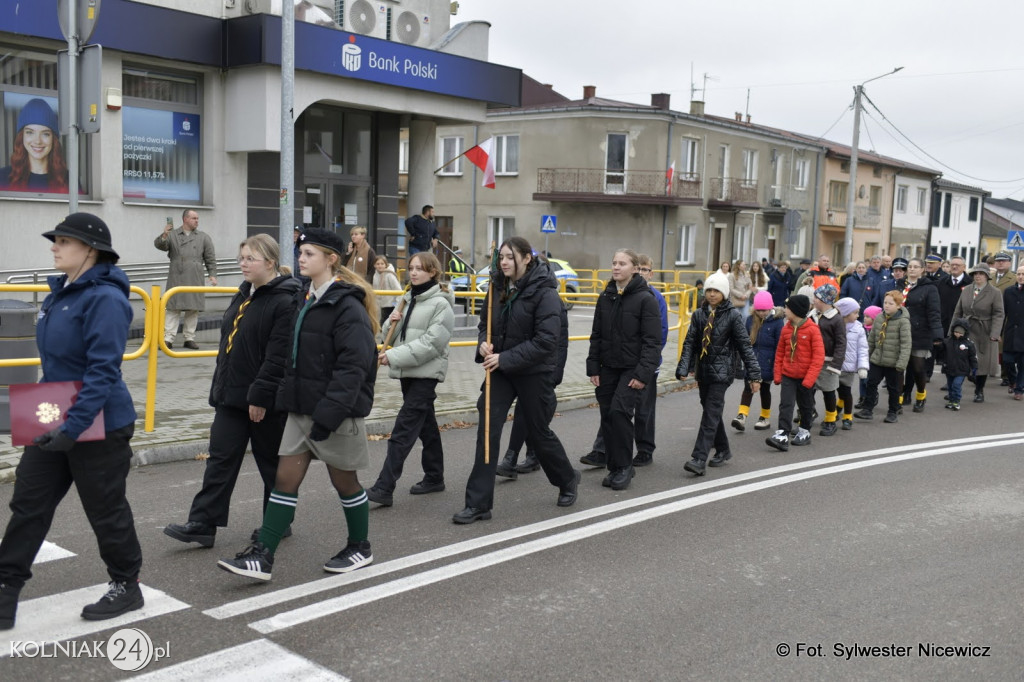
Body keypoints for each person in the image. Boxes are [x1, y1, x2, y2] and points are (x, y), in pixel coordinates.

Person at [0, 213, 143, 630]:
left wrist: (73, 427)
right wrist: (36, 414)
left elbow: (102, 371)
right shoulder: (60, 293)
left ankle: (126, 584)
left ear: (90, 249)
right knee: (28, 504)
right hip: (57, 419)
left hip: (101, 423)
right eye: (56, 240)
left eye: (63, 241)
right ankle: (6, 588)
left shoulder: (106, 299)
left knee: (105, 508)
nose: (54, 247)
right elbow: (55, 366)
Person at [218, 228, 379, 580]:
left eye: (309, 254)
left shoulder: (346, 305)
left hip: (335, 413)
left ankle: (360, 546)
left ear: (331, 259)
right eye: (300, 253)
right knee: (284, 481)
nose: (301, 259)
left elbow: (354, 367)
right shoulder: (306, 299)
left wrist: (329, 414)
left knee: (345, 482)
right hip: (300, 409)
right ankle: (263, 556)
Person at [163, 234, 301, 549]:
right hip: (231, 396)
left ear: (270, 262)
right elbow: (231, 344)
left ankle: (278, 522)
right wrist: (220, 388)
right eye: (241, 258)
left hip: (264, 400)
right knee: (220, 460)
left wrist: (260, 396)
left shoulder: (286, 300)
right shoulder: (244, 293)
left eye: (250, 258)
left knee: (271, 464)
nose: (243, 264)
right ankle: (203, 523)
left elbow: (278, 355)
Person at [454, 237, 580, 524]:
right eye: (501, 257)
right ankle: (478, 504)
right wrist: (483, 344)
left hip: (534, 372)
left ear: (526, 258)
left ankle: (567, 478)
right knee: (487, 431)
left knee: (538, 432)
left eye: (510, 257)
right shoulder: (496, 286)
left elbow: (546, 341)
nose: (504, 262)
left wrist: (505, 358)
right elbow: (485, 325)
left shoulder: (545, 293)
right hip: (500, 371)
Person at [367, 252, 455, 506]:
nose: (413, 272)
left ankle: (384, 487)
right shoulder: (408, 298)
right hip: (409, 370)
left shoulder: (441, 304)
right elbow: (391, 336)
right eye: (412, 268)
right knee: (426, 425)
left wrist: (393, 357)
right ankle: (435, 476)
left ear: (433, 272)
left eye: (420, 269)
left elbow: (432, 344)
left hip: (426, 373)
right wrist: (390, 322)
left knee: (404, 428)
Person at [578, 253, 668, 469]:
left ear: (641, 271)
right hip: (612, 366)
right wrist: (594, 367)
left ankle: (641, 453)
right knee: (612, 412)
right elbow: (598, 335)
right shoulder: (607, 296)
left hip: (640, 366)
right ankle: (605, 454)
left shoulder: (651, 298)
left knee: (636, 411)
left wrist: (645, 369)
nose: (616, 267)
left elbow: (657, 337)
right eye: (614, 263)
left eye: (622, 264)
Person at [676, 271, 761, 475]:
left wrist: (754, 375)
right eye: (709, 290)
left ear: (724, 293)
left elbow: (745, 346)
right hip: (703, 371)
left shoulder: (733, 316)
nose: (712, 294)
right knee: (710, 411)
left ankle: (699, 458)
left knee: (710, 413)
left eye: (716, 291)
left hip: (723, 372)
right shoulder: (699, 314)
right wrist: (683, 367)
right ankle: (723, 449)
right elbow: (690, 343)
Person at [765, 295, 823, 451]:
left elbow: (818, 357)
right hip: (788, 375)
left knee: (806, 405)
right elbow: (779, 354)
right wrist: (778, 375)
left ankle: (805, 431)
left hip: (806, 377)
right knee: (786, 404)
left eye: (787, 308)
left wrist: (809, 379)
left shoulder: (813, 329)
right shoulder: (786, 329)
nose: (785, 310)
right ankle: (783, 434)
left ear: (796, 311)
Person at [155, 209, 218, 349]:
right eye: (194, 218)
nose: (197, 221)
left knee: (193, 309)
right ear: (185, 219)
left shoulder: (203, 237)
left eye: (197, 218)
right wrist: (164, 234)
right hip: (176, 274)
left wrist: (212, 274)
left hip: (195, 275)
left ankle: (189, 338)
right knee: (173, 307)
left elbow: (210, 258)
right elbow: (160, 245)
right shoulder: (173, 234)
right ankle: (168, 338)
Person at [894, 258, 943, 413]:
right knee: (899, 367)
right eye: (910, 266)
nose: (912, 269)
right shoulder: (900, 285)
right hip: (900, 331)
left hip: (920, 332)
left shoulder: (929, 288)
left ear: (922, 270)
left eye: (916, 267)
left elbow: (934, 312)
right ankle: (900, 398)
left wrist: (937, 334)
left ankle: (921, 396)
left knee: (917, 367)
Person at [731, 291, 783, 432]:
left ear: (770, 308)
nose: (761, 313)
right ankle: (742, 416)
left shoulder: (777, 322)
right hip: (752, 362)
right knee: (747, 388)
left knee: (764, 390)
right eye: (758, 310)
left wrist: (776, 366)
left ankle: (764, 417)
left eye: (764, 310)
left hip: (768, 363)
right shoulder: (750, 320)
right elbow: (745, 342)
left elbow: (779, 345)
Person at [856, 290, 912, 423]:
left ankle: (893, 411)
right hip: (877, 359)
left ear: (898, 305)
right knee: (871, 383)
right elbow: (872, 339)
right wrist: (866, 357)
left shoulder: (903, 322)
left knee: (893, 388)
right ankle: (867, 409)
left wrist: (901, 363)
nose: (886, 305)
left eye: (891, 303)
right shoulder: (879, 318)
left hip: (893, 362)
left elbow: (906, 344)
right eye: (885, 302)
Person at [951, 264, 1004, 403]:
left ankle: (979, 391)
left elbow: (999, 314)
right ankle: (955, 390)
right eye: (975, 273)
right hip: (966, 328)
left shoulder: (995, 292)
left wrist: (995, 333)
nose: (978, 276)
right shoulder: (966, 290)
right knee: (963, 360)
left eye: (981, 273)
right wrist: (953, 330)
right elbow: (958, 311)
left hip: (984, 330)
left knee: (982, 363)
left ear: (987, 276)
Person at [0, 97, 69, 193]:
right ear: (22, 136)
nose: (37, 141)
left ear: (54, 140)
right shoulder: (3, 178)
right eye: (30, 132)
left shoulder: (69, 181)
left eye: (45, 134)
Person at [809, 284, 846, 436]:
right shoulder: (811, 315)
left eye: (816, 298)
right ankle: (808, 414)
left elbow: (841, 343)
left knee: (828, 391)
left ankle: (830, 420)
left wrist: (836, 364)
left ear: (824, 300)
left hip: (828, 362)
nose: (814, 300)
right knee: (808, 390)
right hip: (811, 360)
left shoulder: (836, 319)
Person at [835, 297, 869, 429]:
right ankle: (834, 411)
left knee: (846, 391)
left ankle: (847, 417)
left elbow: (863, 349)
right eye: (855, 313)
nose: (858, 316)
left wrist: (862, 367)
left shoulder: (858, 329)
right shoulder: (835, 326)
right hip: (834, 365)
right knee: (834, 390)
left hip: (848, 367)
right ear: (845, 313)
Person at [942, 319, 978, 410]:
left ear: (965, 332)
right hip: (949, 368)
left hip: (962, 370)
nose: (957, 334)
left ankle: (956, 400)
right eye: (956, 332)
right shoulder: (948, 341)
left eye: (960, 333)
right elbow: (941, 349)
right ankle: (951, 400)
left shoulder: (969, 344)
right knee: (950, 385)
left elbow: (973, 357)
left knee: (956, 385)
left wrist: (974, 368)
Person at [1003, 265, 1024, 400]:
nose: (1020, 277)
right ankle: (1013, 381)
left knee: (1022, 364)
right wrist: (998, 333)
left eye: (1023, 274)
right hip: (1010, 332)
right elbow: (1002, 313)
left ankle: (1019, 389)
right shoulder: (1009, 291)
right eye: (1018, 274)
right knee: (1007, 361)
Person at [372, 254, 402, 324]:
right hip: (380, 305)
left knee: (385, 323)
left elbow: (398, 290)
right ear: (374, 265)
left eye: (382, 264)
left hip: (390, 304)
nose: (380, 266)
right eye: (378, 264)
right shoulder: (375, 275)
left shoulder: (389, 275)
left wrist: (397, 304)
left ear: (386, 265)